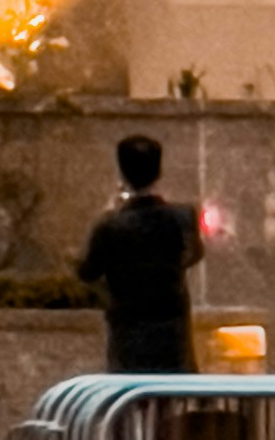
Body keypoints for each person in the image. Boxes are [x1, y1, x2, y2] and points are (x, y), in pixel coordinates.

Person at [80, 133, 204, 374]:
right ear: (159, 172)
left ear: (122, 174)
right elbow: (193, 254)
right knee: (171, 401)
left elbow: (88, 271)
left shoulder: (110, 225)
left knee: (131, 400)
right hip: (172, 337)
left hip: (128, 337)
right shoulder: (183, 218)